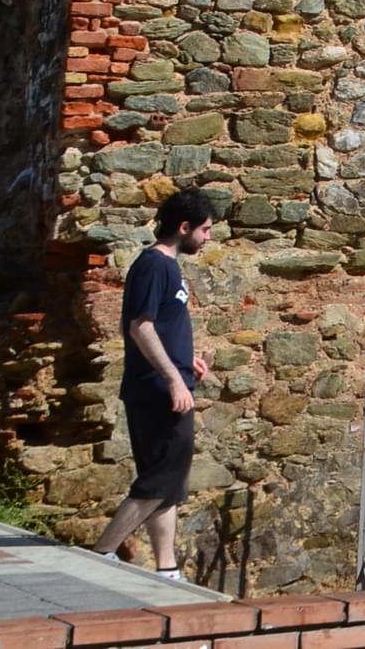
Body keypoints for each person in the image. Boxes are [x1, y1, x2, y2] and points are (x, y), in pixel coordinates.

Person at [94, 190, 218, 578]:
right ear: (184, 228)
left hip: (169, 383)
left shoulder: (168, 267)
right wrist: (172, 380)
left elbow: (160, 326)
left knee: (170, 483)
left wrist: (186, 363)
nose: (208, 238)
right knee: (160, 477)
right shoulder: (153, 266)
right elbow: (140, 327)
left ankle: (167, 569)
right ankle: (101, 551)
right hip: (157, 391)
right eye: (206, 230)